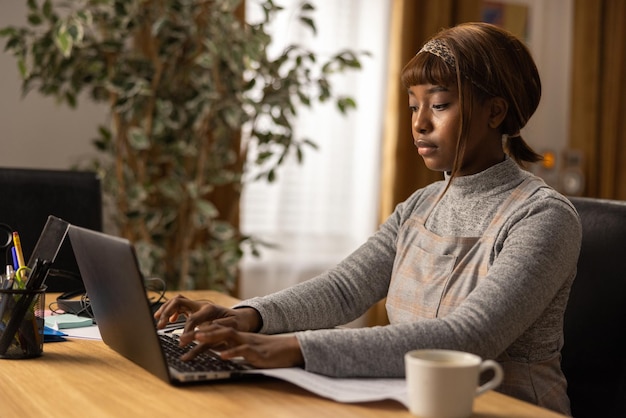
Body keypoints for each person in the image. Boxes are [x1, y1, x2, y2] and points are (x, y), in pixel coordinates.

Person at [155, 22, 581, 415]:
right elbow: (344, 290)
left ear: (495, 113)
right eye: (414, 107)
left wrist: (294, 347)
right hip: (413, 403)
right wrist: (249, 316)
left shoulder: (543, 216)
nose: (420, 124)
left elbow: (466, 338)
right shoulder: (420, 205)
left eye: (440, 104)